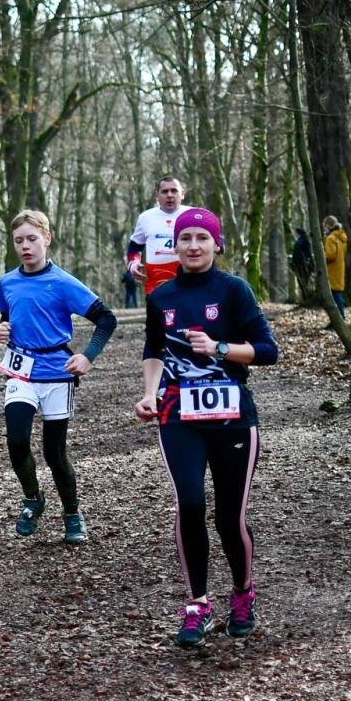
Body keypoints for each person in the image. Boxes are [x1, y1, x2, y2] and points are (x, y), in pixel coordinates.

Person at [133, 207, 280, 646]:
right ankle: (197, 603)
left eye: (202, 238)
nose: (193, 246)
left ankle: (243, 593)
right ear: (174, 245)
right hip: (179, 415)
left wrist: (220, 348)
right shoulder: (161, 296)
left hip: (233, 418)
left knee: (229, 517)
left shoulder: (234, 290)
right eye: (185, 238)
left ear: (217, 244)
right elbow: (154, 349)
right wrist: (150, 393)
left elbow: (268, 351)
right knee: (190, 503)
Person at [0, 210, 117, 544]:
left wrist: (87, 356)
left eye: (32, 239)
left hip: (57, 373)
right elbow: (6, 316)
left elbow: (106, 318)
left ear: (47, 239)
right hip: (21, 370)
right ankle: (33, 497)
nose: (25, 246)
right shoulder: (7, 282)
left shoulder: (63, 282)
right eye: (19, 240)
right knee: (17, 440)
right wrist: (0, 329)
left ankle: (72, 513)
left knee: (54, 453)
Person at [126, 176, 186, 295]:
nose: (169, 195)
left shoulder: (194, 215)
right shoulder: (145, 217)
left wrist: (219, 245)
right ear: (157, 195)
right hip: (156, 285)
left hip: (187, 282)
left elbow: (215, 239)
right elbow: (134, 248)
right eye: (165, 191)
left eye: (174, 191)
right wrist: (133, 264)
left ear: (182, 194)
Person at [322, 215, 348, 313]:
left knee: (335, 294)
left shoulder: (330, 238)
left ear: (328, 226)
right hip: (340, 267)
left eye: (324, 226)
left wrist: (322, 257)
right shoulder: (342, 237)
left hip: (332, 269)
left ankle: (340, 316)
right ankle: (340, 315)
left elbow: (330, 255)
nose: (324, 228)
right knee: (337, 292)